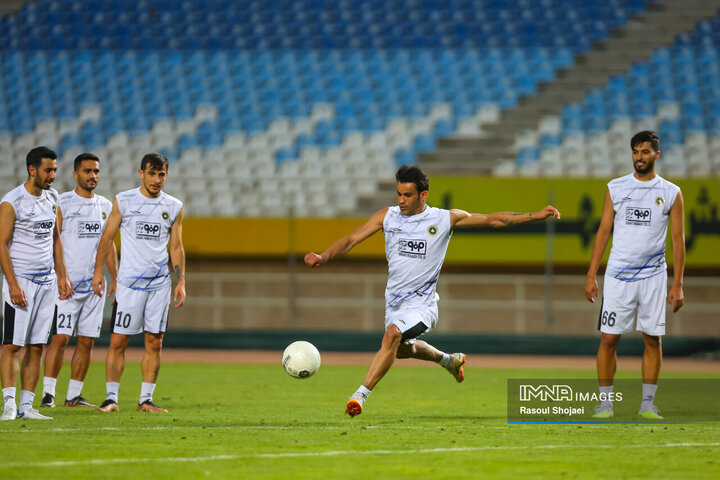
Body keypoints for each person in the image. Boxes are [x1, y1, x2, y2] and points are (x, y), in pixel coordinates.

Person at [304, 165, 561, 417]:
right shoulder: (387, 216)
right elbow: (351, 240)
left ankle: (360, 395)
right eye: (399, 194)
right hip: (394, 305)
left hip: (422, 306)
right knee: (402, 348)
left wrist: (534, 216)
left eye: (408, 195)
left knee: (392, 335)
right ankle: (450, 360)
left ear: (423, 195)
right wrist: (323, 256)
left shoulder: (443, 219)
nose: (401, 201)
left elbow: (493, 219)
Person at [585, 130, 685, 420]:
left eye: (645, 152)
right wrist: (592, 274)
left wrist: (677, 284)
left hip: (654, 277)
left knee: (653, 339)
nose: (639, 157)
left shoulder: (671, 192)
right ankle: (605, 405)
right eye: (635, 152)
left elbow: (678, 241)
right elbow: (603, 231)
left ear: (657, 154)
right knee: (608, 339)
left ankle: (647, 405)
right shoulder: (616, 187)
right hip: (617, 276)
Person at [91, 153, 186, 413]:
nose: (157, 180)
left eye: (162, 174)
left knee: (155, 341)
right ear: (141, 173)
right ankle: (111, 398)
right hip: (129, 285)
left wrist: (180, 282)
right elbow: (107, 238)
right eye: (152, 174)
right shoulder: (124, 201)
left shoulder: (174, 206)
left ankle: (146, 400)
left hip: (159, 285)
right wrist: (99, 272)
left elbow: (176, 248)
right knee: (118, 341)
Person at [40, 153, 118, 408]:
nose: (92, 176)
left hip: (94, 286)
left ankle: (73, 395)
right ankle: (48, 393)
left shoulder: (106, 206)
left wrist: (115, 277)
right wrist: (60, 276)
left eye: (96, 171)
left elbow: (108, 246)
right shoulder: (62, 202)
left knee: (87, 340)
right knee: (60, 337)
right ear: (75, 174)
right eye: (87, 171)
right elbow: (54, 241)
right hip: (67, 285)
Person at [0, 146, 72, 421]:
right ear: (32, 169)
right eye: (48, 170)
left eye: (55, 169)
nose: (53, 175)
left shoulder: (53, 198)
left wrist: (62, 276)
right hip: (21, 282)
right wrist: (13, 283)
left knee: (37, 346)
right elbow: (1, 244)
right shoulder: (12, 202)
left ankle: (27, 406)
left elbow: (56, 239)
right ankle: (8, 405)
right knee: (12, 346)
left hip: (47, 283)